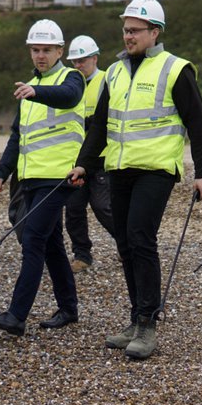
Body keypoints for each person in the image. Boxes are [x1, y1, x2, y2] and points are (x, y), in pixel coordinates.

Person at [69, 0, 202, 361]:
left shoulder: (175, 69)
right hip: (118, 168)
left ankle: (148, 323)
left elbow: (197, 123)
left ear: (155, 32)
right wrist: (84, 163)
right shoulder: (115, 73)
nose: (128, 36)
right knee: (124, 244)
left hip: (156, 170)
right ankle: (136, 318)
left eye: (134, 31)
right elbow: (100, 123)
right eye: (125, 30)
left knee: (140, 238)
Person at [0, 19, 85, 337]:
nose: (41, 55)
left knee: (33, 240)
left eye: (47, 50)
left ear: (60, 51)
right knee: (52, 244)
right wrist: (2, 172)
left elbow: (67, 97)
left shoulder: (72, 78)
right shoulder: (28, 87)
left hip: (59, 177)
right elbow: (18, 136)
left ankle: (16, 315)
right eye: (36, 50)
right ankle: (68, 308)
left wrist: (36, 90)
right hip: (30, 179)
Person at [63, 35, 115, 273]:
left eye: (82, 60)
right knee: (73, 209)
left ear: (95, 58)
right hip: (76, 158)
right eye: (74, 61)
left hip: (102, 157)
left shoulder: (107, 80)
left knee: (103, 206)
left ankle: (128, 245)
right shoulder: (73, 85)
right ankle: (82, 255)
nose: (78, 65)